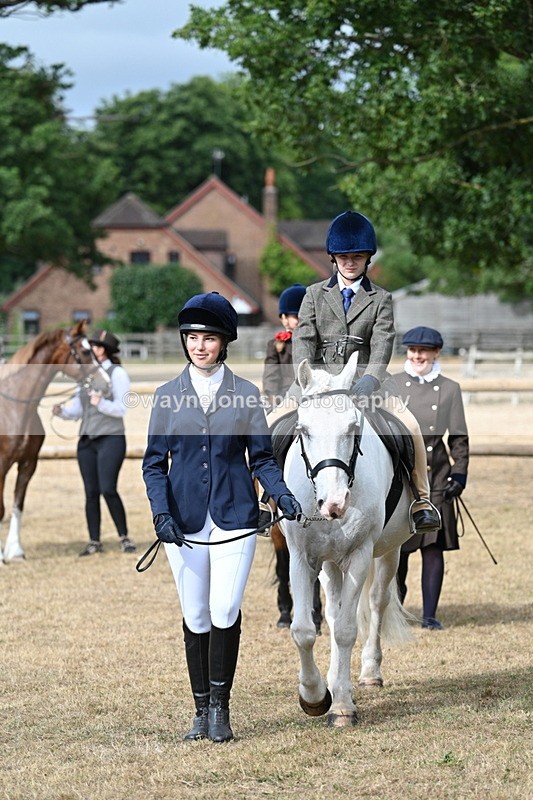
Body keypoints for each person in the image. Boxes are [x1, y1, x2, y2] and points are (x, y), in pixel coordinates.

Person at [142, 292, 301, 743]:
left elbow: (262, 460)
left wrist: (282, 495)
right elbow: (154, 464)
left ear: (224, 342)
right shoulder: (167, 396)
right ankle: (198, 710)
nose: (199, 345)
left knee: (224, 608)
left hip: (235, 516)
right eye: (192, 337)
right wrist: (161, 513)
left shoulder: (246, 394)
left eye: (208, 338)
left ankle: (220, 709)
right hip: (183, 519)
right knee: (194, 615)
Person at [291, 210, 440, 533]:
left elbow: (383, 342)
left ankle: (421, 500)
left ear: (367, 258)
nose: (349, 263)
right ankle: (264, 501)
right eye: (344, 257)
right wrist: (307, 379)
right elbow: (302, 340)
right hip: (317, 383)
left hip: (366, 384)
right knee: (273, 422)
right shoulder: (314, 295)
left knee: (410, 426)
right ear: (333, 257)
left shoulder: (381, 299)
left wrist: (371, 378)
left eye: (357, 257)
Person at [393, 326, 469, 630]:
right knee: (397, 548)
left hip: (436, 476)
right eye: (412, 350)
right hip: (400, 477)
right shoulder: (393, 384)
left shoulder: (450, 389)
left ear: (436, 353)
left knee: (432, 546)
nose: (417, 356)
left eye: (423, 351)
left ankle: (429, 616)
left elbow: (459, 437)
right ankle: (394, 609)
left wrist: (460, 473)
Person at [52, 330, 135, 556]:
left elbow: (122, 407)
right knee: (90, 492)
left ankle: (124, 536)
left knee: (108, 489)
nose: (91, 351)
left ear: (103, 350)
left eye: (95, 347)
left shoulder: (117, 374)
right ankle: (94, 541)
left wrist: (101, 404)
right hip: (87, 440)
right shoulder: (86, 376)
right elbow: (78, 409)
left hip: (111, 438)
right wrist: (62, 412)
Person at [262, 283, 307, 409]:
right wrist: (273, 397)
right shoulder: (275, 344)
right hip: (286, 397)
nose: (303, 319)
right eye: (297, 316)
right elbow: (271, 374)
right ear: (284, 317)